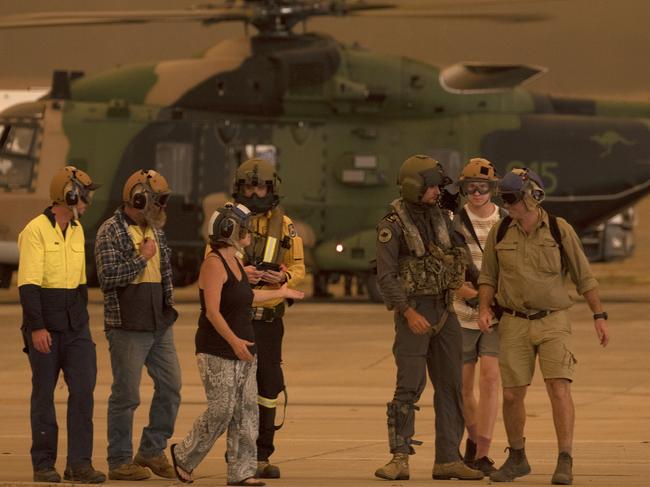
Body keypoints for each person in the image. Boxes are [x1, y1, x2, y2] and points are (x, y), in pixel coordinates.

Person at [477, 168, 610, 485]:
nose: (507, 205)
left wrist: (599, 316)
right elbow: (488, 277)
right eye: (504, 199)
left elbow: (584, 276)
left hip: (553, 321)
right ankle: (518, 457)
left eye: (512, 198)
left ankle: (565, 459)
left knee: (559, 389)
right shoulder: (500, 232)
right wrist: (484, 307)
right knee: (511, 396)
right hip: (513, 323)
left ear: (532, 197)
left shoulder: (558, 229)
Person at [170, 203, 304, 487]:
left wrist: (281, 291)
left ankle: (242, 472)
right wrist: (233, 342)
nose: (249, 233)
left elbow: (248, 298)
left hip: (245, 348)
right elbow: (212, 312)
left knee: (246, 412)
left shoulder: (237, 262)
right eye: (244, 228)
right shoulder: (214, 264)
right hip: (218, 350)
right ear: (229, 231)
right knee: (221, 410)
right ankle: (183, 455)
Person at [374, 154, 484, 481]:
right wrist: (407, 312)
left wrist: (486, 291)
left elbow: (462, 258)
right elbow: (386, 276)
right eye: (433, 186)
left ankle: (448, 459)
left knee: (450, 387)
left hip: (444, 312)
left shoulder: (443, 219)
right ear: (415, 187)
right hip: (414, 314)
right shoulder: (391, 226)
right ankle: (398, 458)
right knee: (408, 387)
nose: (438, 192)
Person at [18, 166, 106, 483]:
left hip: (75, 325)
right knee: (44, 395)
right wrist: (38, 328)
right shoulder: (35, 231)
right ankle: (43, 464)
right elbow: (27, 287)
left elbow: (80, 284)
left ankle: (79, 464)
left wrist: (82, 323)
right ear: (68, 195)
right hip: (45, 325)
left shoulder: (78, 229)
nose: (87, 201)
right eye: (84, 195)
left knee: (83, 391)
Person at [95, 169, 181, 481]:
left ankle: (151, 449)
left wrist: (168, 309)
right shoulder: (110, 231)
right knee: (126, 396)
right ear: (139, 198)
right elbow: (107, 278)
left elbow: (166, 274)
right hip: (128, 327)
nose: (163, 207)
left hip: (159, 325)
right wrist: (141, 259)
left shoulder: (155, 230)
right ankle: (119, 461)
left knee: (171, 388)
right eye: (159, 201)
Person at [231, 157, 305, 479]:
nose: (255, 192)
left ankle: (262, 454)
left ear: (271, 188)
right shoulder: (228, 221)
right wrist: (240, 274)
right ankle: (238, 456)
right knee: (236, 391)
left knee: (268, 387)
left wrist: (285, 280)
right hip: (239, 320)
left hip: (270, 321)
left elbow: (300, 268)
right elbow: (212, 261)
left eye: (260, 186)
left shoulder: (285, 225)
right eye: (249, 185)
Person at [452, 158, 504, 474]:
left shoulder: (505, 222)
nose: (476, 192)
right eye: (470, 187)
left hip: (496, 315)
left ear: (492, 189)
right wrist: (460, 289)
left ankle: (483, 451)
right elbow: (447, 262)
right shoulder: (454, 221)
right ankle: (472, 441)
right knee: (462, 386)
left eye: (482, 187)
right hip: (460, 314)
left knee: (490, 380)